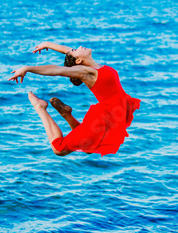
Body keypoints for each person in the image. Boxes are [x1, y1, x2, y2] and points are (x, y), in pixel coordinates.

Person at [8, 42, 140, 157]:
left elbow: (67, 51)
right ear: (78, 61)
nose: (77, 47)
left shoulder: (96, 67)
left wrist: (48, 44)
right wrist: (27, 68)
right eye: (76, 50)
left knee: (89, 146)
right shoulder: (87, 72)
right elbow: (56, 70)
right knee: (58, 149)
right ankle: (40, 107)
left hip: (112, 112)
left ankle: (66, 114)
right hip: (110, 115)